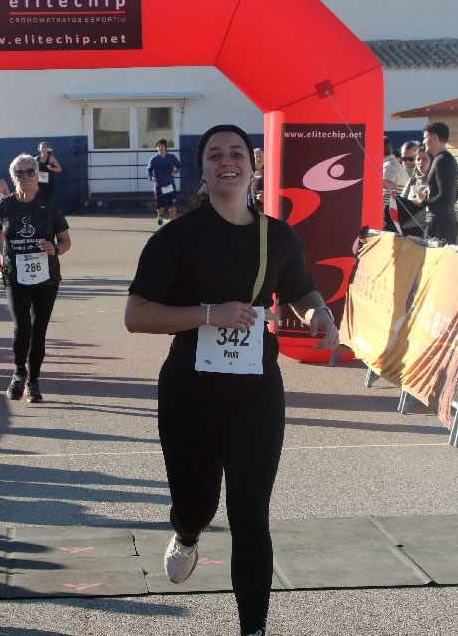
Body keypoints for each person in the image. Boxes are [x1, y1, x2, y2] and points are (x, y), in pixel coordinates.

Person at [124, 124, 339, 636]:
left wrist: (319, 316)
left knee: (249, 511)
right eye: (215, 154)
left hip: (255, 391)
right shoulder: (176, 236)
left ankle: (253, 628)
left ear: (252, 165)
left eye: (237, 153)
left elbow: (302, 292)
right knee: (197, 501)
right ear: (200, 168)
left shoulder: (278, 236)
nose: (228, 161)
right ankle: (188, 532)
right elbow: (136, 315)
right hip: (189, 391)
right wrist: (207, 313)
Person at [0, 154, 71, 404]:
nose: (25, 176)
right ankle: (19, 372)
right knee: (22, 327)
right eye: (20, 172)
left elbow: (66, 242)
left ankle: (33, 381)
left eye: (30, 172)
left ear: (38, 175)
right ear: (12, 177)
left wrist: (55, 249)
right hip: (15, 275)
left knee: (39, 331)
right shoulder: (5, 205)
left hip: (46, 278)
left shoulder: (49, 205)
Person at [412, 121, 458, 244]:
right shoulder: (448, 159)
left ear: (434, 138)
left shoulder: (442, 160)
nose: (423, 142)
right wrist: (427, 196)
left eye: (425, 137)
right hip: (445, 222)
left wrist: (422, 202)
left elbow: (446, 196)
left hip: (439, 224)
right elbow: (454, 196)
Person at [396, 147, 432, 237]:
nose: (420, 162)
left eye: (424, 159)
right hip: (406, 228)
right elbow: (402, 199)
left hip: (424, 229)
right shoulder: (412, 180)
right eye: (418, 159)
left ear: (431, 161)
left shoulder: (433, 181)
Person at [148, 139, 182, 225]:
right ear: (157, 148)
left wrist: (176, 172)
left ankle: (172, 223)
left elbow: (179, 167)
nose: (160, 148)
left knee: (173, 205)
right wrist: (151, 177)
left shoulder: (171, 157)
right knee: (161, 207)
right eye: (159, 146)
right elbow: (149, 171)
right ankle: (160, 216)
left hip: (170, 185)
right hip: (159, 185)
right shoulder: (154, 159)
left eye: (162, 146)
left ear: (165, 147)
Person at [382, 136, 408, 212]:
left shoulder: (388, 167)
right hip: (397, 213)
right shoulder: (399, 166)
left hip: (389, 215)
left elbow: (386, 195)